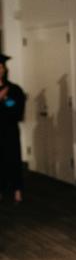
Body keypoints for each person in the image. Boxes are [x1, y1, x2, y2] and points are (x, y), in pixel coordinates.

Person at [0, 53, 26, 204]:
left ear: (5, 69)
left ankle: (17, 190)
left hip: (9, 131)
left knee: (13, 159)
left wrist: (5, 100)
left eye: (1, 67)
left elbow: (18, 112)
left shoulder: (14, 89)